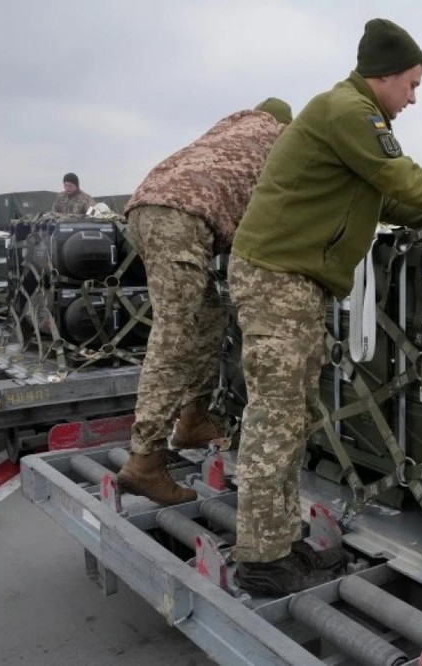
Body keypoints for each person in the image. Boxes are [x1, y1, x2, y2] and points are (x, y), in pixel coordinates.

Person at [228, 18, 422, 596]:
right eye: (412, 84)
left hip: (294, 282)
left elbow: (389, 202)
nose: (414, 98)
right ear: (385, 75)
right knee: (275, 420)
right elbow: (400, 177)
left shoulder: (352, 118)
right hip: (277, 279)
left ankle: (279, 540)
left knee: (294, 417)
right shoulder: (347, 111)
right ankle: (260, 558)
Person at [116, 98, 293, 506]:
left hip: (148, 208)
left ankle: (193, 419)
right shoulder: (279, 139)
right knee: (174, 336)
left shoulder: (232, 128)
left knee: (209, 317)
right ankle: (145, 460)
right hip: (180, 217)